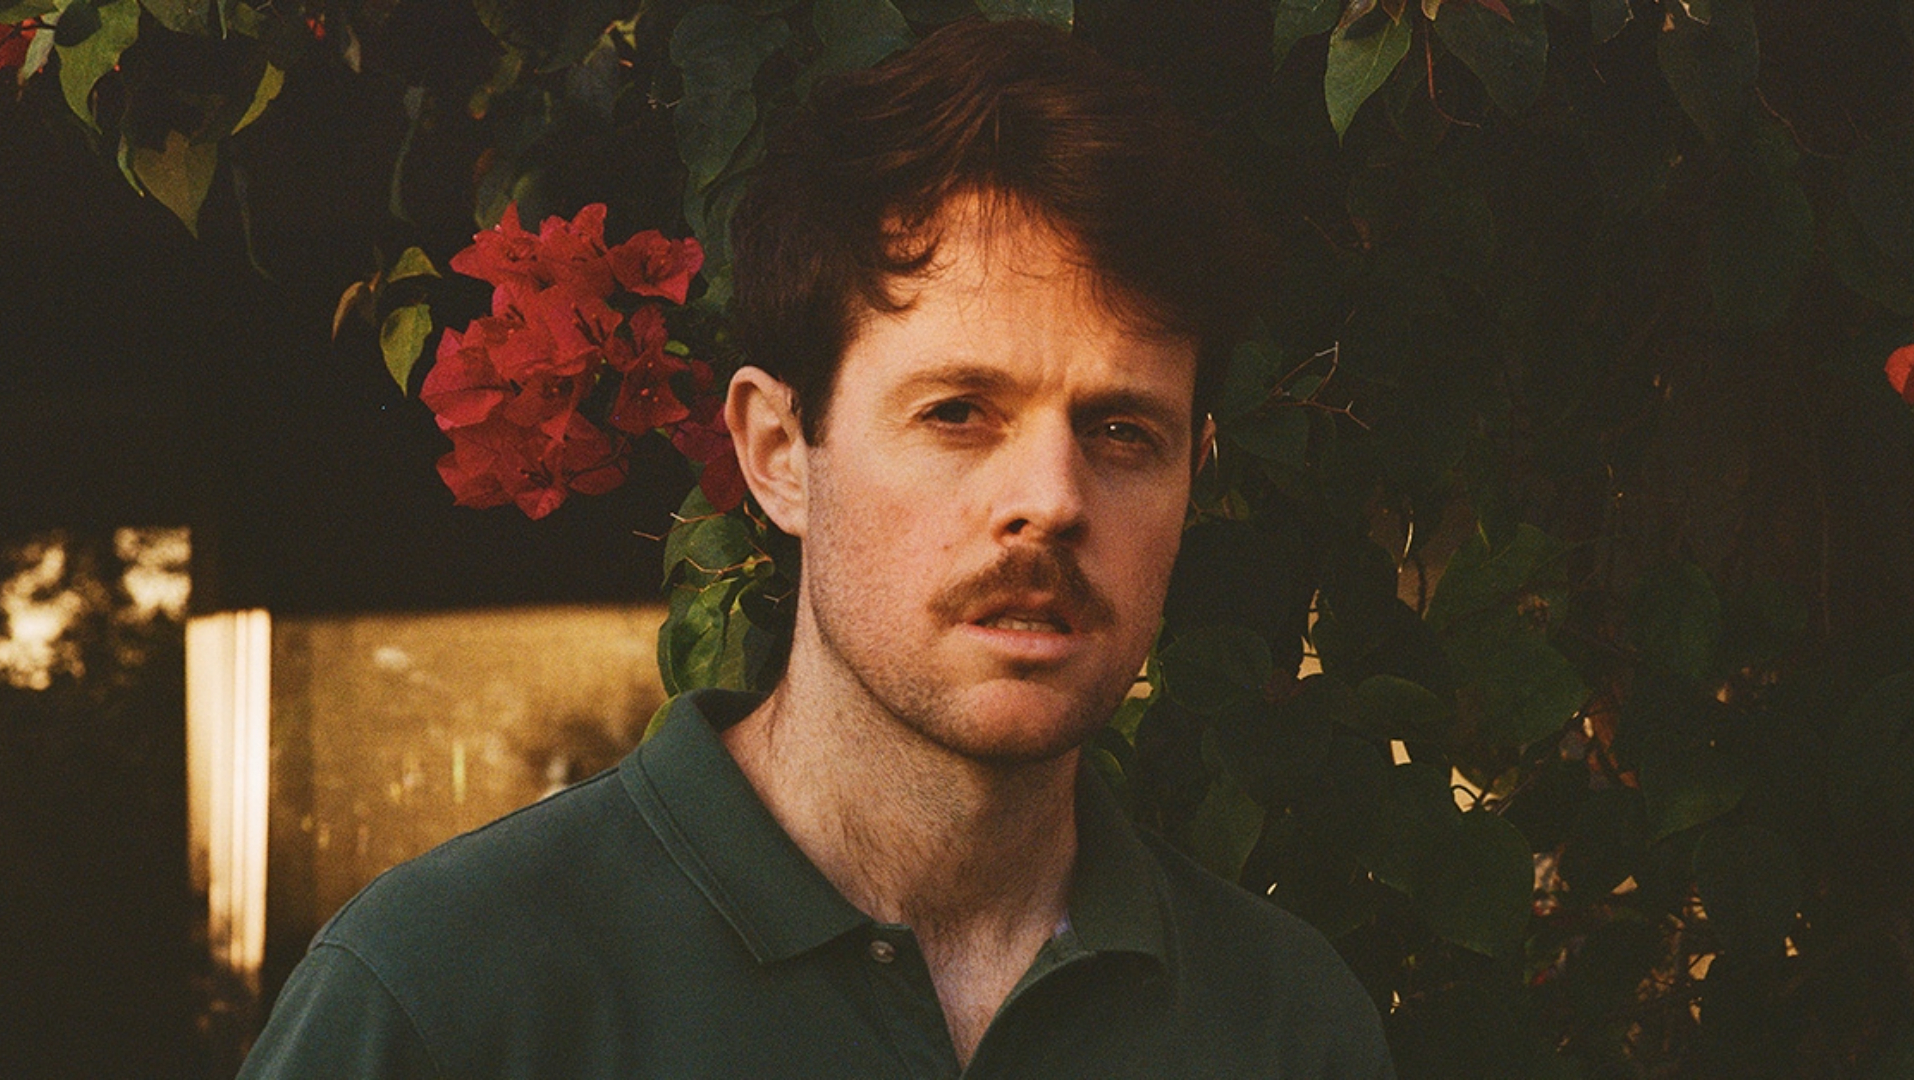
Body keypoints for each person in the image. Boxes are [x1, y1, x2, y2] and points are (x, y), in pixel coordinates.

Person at [238, 17, 1394, 1079]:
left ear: (1196, 473)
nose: (1050, 498)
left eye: (1120, 431)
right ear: (780, 453)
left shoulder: (1285, 1024)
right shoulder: (452, 997)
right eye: (958, 412)